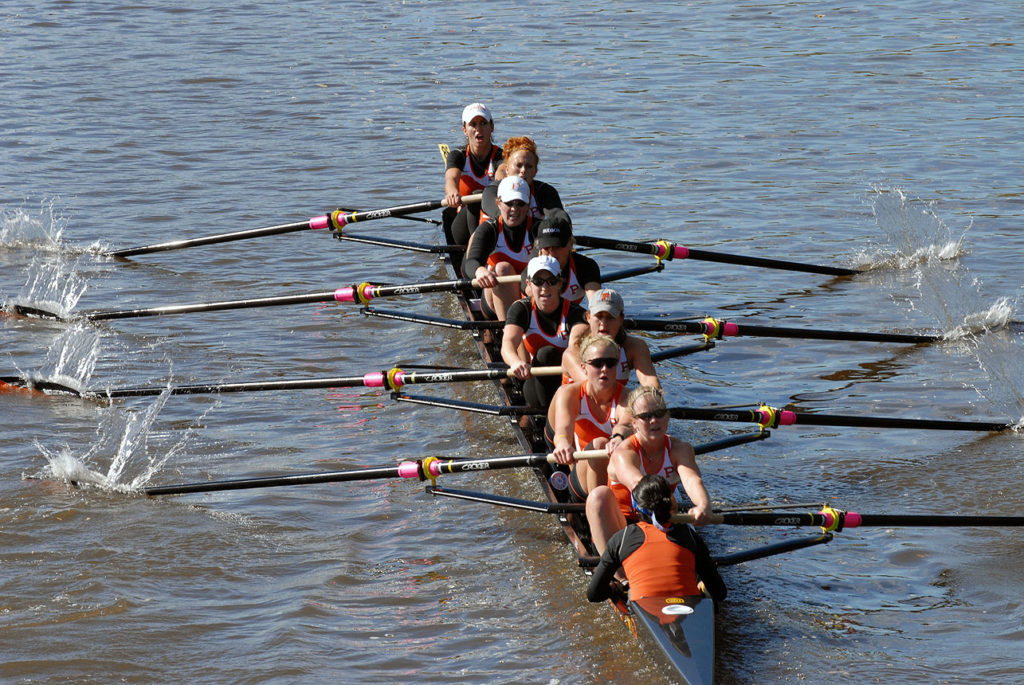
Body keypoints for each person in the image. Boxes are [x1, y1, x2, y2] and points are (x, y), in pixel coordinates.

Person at [586, 386, 711, 555]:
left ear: (667, 417)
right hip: (622, 524)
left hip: (659, 519)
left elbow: (692, 480)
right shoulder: (624, 452)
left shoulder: (680, 449)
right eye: (645, 416)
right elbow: (639, 485)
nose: (654, 420)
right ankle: (620, 576)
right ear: (634, 424)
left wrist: (703, 505)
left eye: (659, 413)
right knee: (599, 495)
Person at [586, 473, 727, 603]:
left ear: (636, 507)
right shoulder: (689, 535)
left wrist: (614, 588)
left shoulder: (622, 538)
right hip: (687, 607)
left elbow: (593, 595)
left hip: (645, 608)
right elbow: (720, 593)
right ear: (671, 502)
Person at [545, 333, 632, 500]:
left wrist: (618, 437)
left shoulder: (628, 397)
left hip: (616, 471)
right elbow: (563, 429)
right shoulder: (570, 393)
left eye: (611, 363)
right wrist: (563, 443)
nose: (604, 369)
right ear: (583, 367)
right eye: (597, 364)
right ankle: (598, 510)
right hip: (581, 469)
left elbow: (626, 423)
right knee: (600, 443)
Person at [501, 255, 586, 408]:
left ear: (560, 283)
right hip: (534, 382)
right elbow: (507, 344)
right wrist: (515, 362)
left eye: (551, 281)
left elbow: (576, 349)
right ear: (528, 284)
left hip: (568, 383)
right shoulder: (521, 309)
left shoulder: (576, 314)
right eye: (538, 282)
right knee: (545, 354)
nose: (545, 288)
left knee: (549, 354)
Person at [463, 176, 536, 321]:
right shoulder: (490, 229)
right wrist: (479, 270)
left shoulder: (537, 229)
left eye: (520, 203)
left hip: (528, 292)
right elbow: (470, 263)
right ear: (498, 203)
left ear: (528, 205)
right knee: (503, 268)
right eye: (509, 203)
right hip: (494, 299)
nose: (515, 209)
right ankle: (507, 331)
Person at [563, 288, 660, 388]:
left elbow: (652, 386)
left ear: (621, 319)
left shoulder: (634, 347)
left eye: (610, 317)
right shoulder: (574, 351)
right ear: (588, 317)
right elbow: (596, 391)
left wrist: (653, 400)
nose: (604, 323)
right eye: (599, 316)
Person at [444, 103, 502, 246]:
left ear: (491, 127)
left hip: (492, 220)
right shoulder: (458, 156)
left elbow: (502, 176)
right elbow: (451, 178)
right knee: (476, 197)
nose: (478, 129)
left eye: (483, 123)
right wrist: (452, 193)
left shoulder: (502, 156)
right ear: (465, 130)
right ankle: (475, 247)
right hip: (462, 225)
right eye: (473, 124)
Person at [478, 136, 562, 226]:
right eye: (519, 165)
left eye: (529, 166)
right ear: (507, 169)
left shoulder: (544, 191)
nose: (523, 170)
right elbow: (508, 219)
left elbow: (560, 218)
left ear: (535, 171)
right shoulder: (492, 191)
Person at [523, 209, 601, 306]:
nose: (551, 254)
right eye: (547, 248)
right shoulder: (531, 270)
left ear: (571, 244)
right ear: (539, 249)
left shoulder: (586, 266)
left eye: (557, 247)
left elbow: (596, 305)